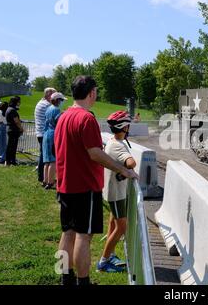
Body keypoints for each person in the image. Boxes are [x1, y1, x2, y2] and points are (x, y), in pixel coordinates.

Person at [54, 76, 139, 286]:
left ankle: (66, 279)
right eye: (96, 91)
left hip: (65, 184)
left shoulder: (64, 117)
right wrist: (122, 169)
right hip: (84, 186)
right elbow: (95, 153)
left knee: (68, 233)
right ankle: (83, 282)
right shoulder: (86, 118)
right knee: (84, 236)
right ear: (91, 92)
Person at [97, 111, 136, 273]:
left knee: (113, 222)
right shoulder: (118, 146)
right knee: (122, 227)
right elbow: (131, 162)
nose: (129, 128)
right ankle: (104, 261)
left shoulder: (113, 142)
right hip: (117, 193)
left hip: (111, 190)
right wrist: (126, 171)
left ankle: (110, 254)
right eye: (128, 125)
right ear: (124, 127)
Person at [42, 92, 67, 190]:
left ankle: (45, 180)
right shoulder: (56, 109)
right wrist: (63, 114)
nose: (62, 102)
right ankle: (51, 182)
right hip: (53, 135)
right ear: (57, 100)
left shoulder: (48, 109)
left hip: (46, 134)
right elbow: (58, 122)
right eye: (61, 100)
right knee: (53, 160)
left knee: (46, 160)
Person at [35, 88, 56, 185]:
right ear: (49, 95)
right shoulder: (47, 105)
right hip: (45, 132)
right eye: (53, 95)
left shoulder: (41, 103)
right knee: (47, 158)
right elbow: (53, 116)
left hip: (40, 132)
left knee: (44, 156)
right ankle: (43, 177)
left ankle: (44, 177)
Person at [5, 96, 23, 166]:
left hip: (10, 129)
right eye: (18, 101)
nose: (19, 103)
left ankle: (9, 161)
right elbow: (16, 121)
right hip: (13, 130)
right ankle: (11, 161)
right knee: (12, 146)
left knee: (10, 146)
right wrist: (21, 128)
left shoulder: (8, 109)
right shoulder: (12, 110)